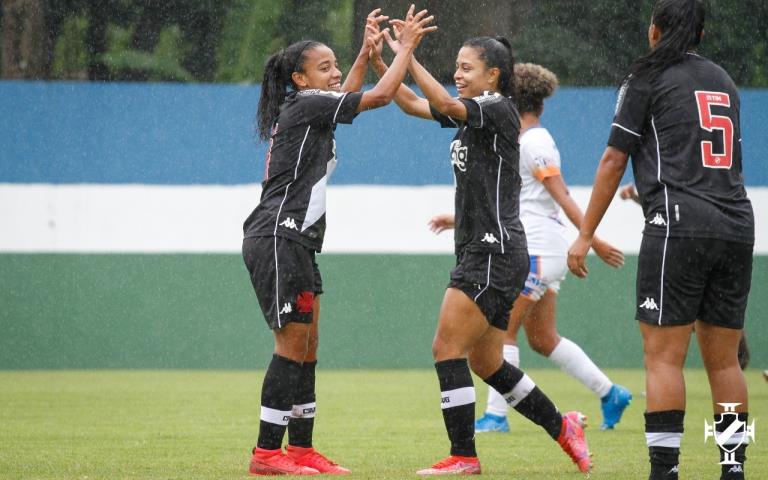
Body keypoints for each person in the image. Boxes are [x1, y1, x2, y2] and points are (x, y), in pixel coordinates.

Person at [370, 27, 592, 475]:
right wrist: (384, 63)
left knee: (445, 348)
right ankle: (563, 425)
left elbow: (448, 103)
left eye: (465, 68)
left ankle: (463, 456)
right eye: (455, 67)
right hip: (490, 251)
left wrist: (409, 53)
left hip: (492, 252)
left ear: (493, 75)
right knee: (487, 361)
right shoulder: (476, 113)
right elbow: (414, 103)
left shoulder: (496, 108)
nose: (457, 74)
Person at [241, 6, 436, 476]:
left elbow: (346, 96)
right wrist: (404, 47)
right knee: (291, 346)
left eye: (334, 65)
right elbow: (381, 96)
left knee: (307, 345)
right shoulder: (307, 104)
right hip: (277, 237)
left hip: (297, 242)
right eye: (323, 66)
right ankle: (267, 453)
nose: (333, 73)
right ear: (298, 77)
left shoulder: (314, 109)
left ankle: (302, 450)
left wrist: (365, 55)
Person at [567, 1, 754, 479]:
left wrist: (585, 235)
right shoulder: (724, 81)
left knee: (664, 357)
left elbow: (613, 160)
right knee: (725, 360)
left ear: (654, 31)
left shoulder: (646, 77)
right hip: (735, 223)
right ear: (702, 35)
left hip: (677, 225)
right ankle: (733, 469)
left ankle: (664, 471)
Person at [429, 63, 631, 435]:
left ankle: (496, 416)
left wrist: (591, 238)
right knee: (542, 338)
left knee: (500, 334)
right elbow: (513, 199)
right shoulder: (511, 135)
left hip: (535, 247)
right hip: (534, 243)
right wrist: (459, 219)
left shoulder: (534, 141)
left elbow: (559, 193)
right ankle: (610, 392)